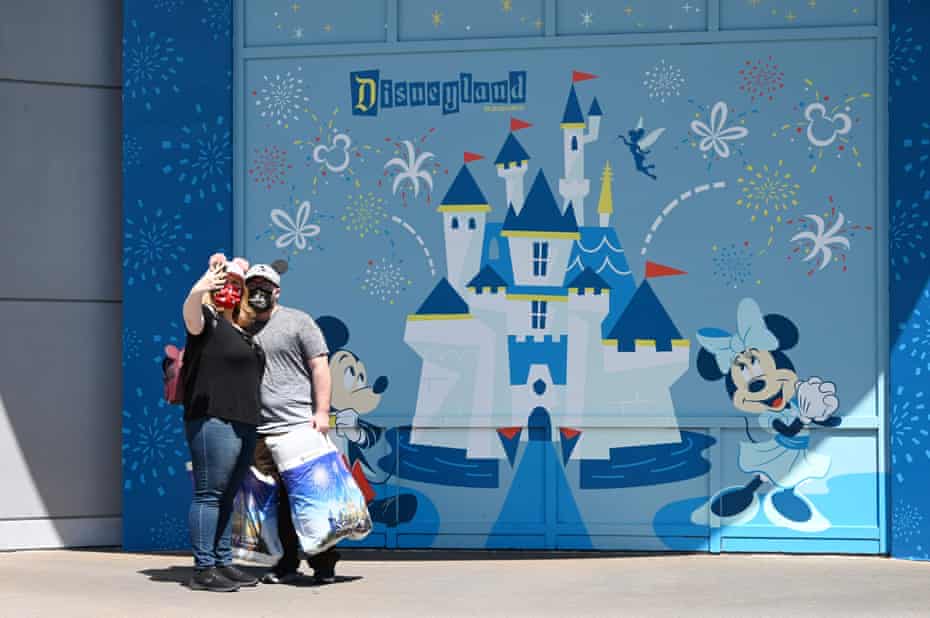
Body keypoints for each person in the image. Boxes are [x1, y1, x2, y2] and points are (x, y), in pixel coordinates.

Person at [241, 262, 340, 585]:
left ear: (276, 291)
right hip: (260, 432)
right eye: (252, 285)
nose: (258, 292)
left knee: (311, 498)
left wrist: (322, 411)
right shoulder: (240, 326)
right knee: (272, 504)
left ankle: (324, 564)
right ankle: (285, 563)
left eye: (264, 286)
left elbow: (320, 366)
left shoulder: (299, 321)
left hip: (299, 427)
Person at [181, 257, 264, 592]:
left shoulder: (243, 331)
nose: (230, 289)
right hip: (213, 419)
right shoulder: (205, 324)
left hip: (244, 422)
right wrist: (202, 286)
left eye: (236, 285)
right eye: (225, 284)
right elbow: (190, 309)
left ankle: (222, 561)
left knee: (227, 496)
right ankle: (203, 570)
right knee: (209, 494)